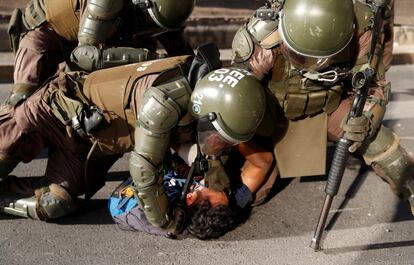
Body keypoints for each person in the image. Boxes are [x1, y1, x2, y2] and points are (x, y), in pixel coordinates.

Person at [0, 44, 269, 238]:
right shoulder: (165, 103)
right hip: (52, 112)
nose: (202, 188)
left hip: (88, 141)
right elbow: (142, 169)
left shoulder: (198, 100)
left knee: (55, 203)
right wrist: (166, 221)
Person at [231, 0, 414, 214]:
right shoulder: (262, 36)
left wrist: (365, 118)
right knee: (253, 192)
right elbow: (237, 97)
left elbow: (374, 86)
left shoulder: (360, 26)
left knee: (378, 143)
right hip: (274, 114)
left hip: (329, 106)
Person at [5, 0, 195, 107]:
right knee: (22, 99)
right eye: (150, 21)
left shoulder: (168, 11)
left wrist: (197, 72)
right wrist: (153, 60)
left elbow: (182, 54)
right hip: (47, 31)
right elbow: (82, 56)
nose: (152, 27)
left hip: (93, 36)